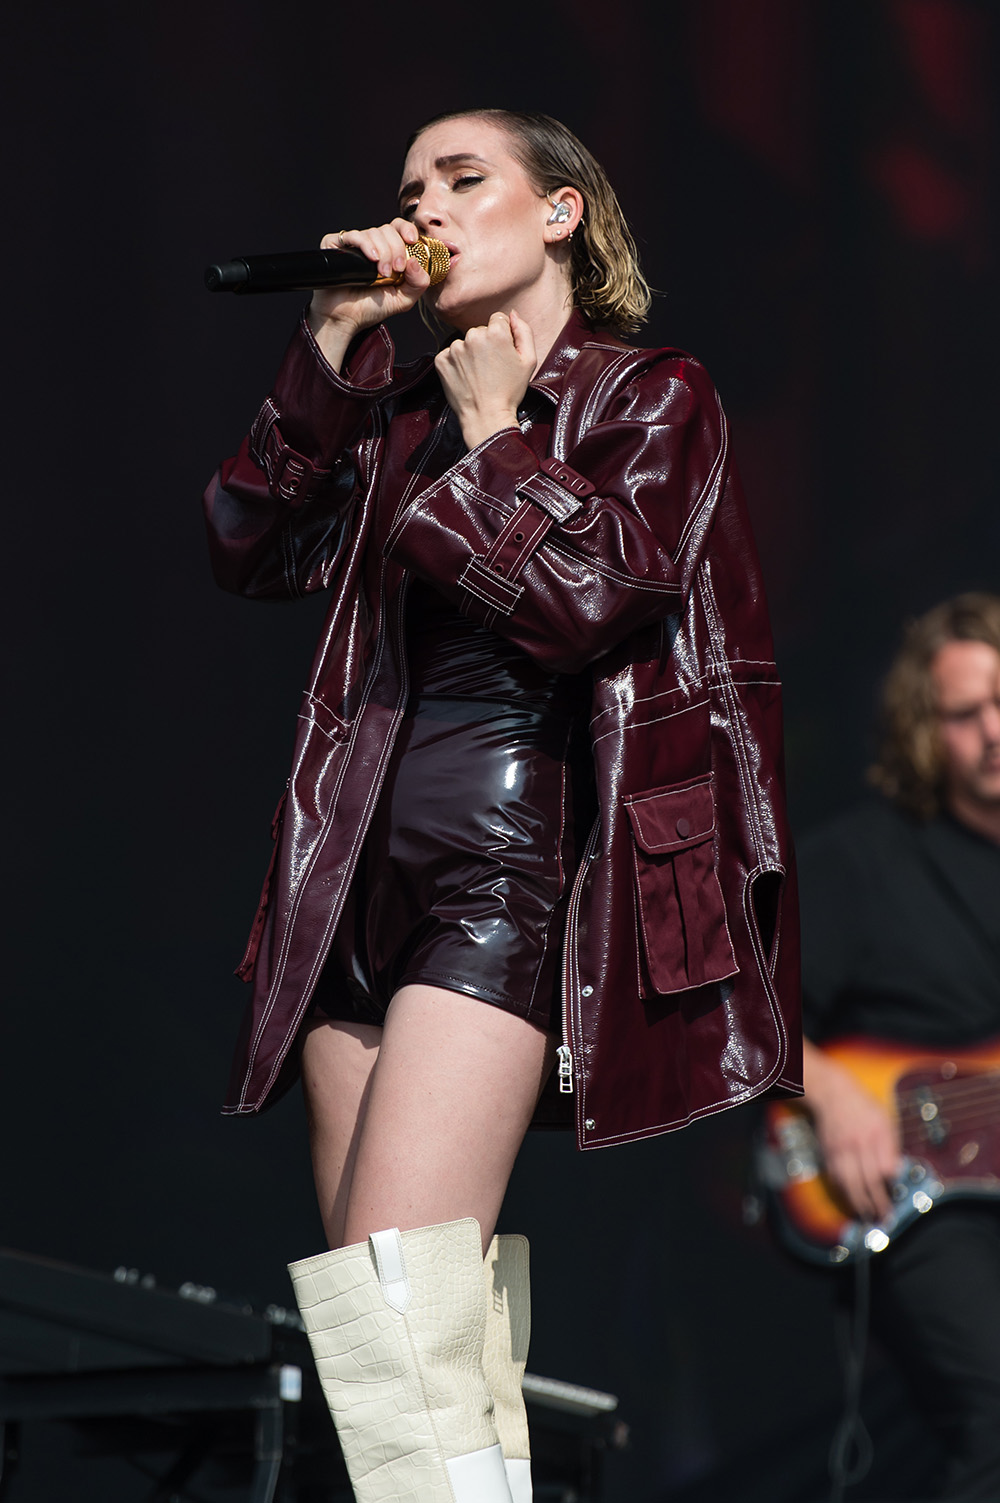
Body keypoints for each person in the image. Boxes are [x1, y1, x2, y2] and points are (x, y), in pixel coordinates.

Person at [203, 108, 799, 1503]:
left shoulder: (652, 393)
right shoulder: (389, 409)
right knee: (394, 1331)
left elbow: (593, 605)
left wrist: (494, 439)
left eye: (465, 179)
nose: (425, 207)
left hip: (510, 864)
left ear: (560, 215)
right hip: (354, 871)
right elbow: (245, 543)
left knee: (399, 1288)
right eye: (409, 185)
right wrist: (332, 350)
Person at [797, 592, 1000, 1501]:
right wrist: (830, 1089)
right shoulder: (862, 859)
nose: (994, 731)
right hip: (921, 1199)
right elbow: (740, 1007)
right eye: (965, 714)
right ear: (926, 729)